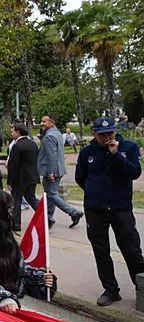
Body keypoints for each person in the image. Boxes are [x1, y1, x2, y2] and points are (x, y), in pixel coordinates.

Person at [76, 117, 144, 307]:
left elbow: (134, 172)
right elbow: (81, 178)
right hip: (95, 209)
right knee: (101, 251)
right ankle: (111, 289)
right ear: (94, 134)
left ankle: (141, 287)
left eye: (111, 133)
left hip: (121, 208)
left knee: (132, 249)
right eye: (103, 134)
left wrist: (116, 155)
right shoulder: (87, 152)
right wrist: (94, 192)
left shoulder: (129, 147)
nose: (108, 137)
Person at [37, 115, 83, 229]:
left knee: (51, 194)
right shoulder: (57, 133)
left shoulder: (49, 136)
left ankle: (73, 212)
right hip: (58, 169)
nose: (42, 124)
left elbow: (51, 155)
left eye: (44, 121)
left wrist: (51, 172)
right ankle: (48, 218)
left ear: (52, 122)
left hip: (52, 170)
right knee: (50, 195)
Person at [6, 122, 40, 233]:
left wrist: (10, 181)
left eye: (13, 132)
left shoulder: (17, 146)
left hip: (20, 178)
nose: (12, 134)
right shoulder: (33, 144)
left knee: (16, 200)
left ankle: (16, 224)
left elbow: (13, 165)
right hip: (32, 176)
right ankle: (46, 216)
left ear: (18, 132)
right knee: (31, 197)